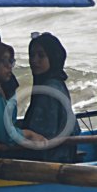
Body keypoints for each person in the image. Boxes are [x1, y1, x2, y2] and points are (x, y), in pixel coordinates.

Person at [19, 32, 78, 162]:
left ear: (53, 57)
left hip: (52, 159)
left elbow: (42, 135)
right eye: (32, 55)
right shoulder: (55, 83)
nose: (34, 60)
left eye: (41, 56)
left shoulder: (49, 90)